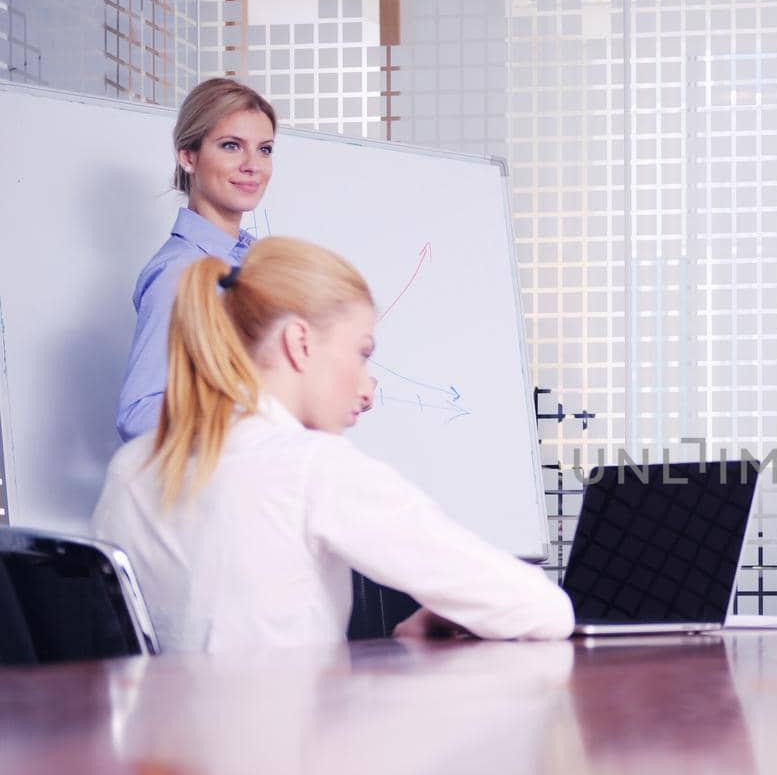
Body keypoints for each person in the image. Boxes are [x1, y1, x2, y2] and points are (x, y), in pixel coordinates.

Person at [92, 236, 574, 651]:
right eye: (362, 354)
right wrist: (451, 612)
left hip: (157, 756)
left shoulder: (130, 468)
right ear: (299, 342)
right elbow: (546, 611)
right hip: (287, 755)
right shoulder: (311, 469)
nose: (368, 387)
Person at [118, 78, 279, 441]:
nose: (253, 165)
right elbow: (138, 413)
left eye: (265, 149)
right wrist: (247, 413)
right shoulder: (180, 272)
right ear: (188, 156)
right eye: (231, 146)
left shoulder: (255, 264)